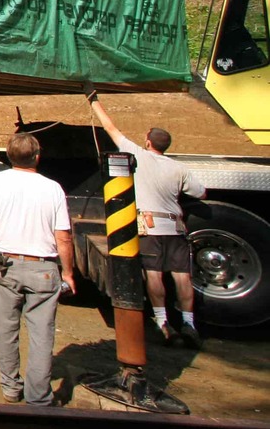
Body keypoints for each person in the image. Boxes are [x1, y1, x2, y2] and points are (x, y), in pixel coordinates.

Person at [87, 90, 207, 348]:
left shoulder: (138, 155)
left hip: (150, 227)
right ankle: (189, 323)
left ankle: (163, 322)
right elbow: (201, 192)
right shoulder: (178, 167)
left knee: (154, 276)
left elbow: (110, 127)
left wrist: (92, 98)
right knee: (182, 278)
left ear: (148, 141)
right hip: (175, 228)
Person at [0, 132, 77, 406]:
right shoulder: (53, 188)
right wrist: (67, 273)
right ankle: (39, 398)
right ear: (37, 155)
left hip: (4, 265)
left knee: (5, 330)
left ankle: (10, 388)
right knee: (42, 334)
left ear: (8, 155)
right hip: (42, 270)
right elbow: (63, 237)